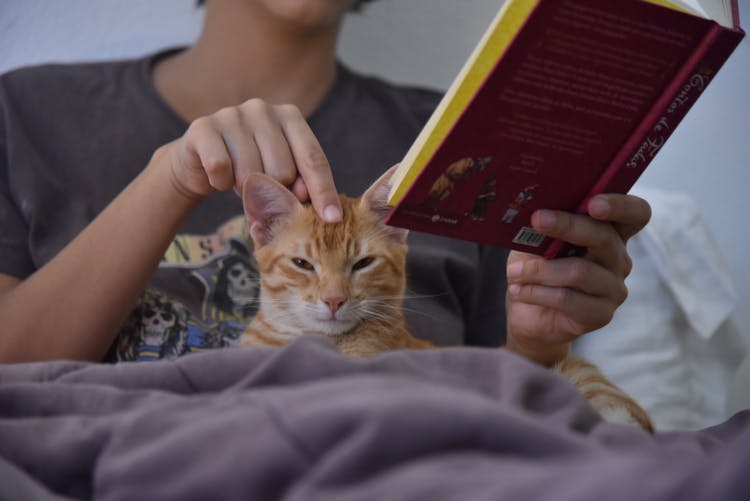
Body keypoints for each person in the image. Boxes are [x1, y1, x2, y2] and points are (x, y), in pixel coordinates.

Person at [0, 0, 650, 365]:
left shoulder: (459, 145)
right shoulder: (29, 111)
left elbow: (494, 399)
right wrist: (169, 180)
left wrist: (541, 339)